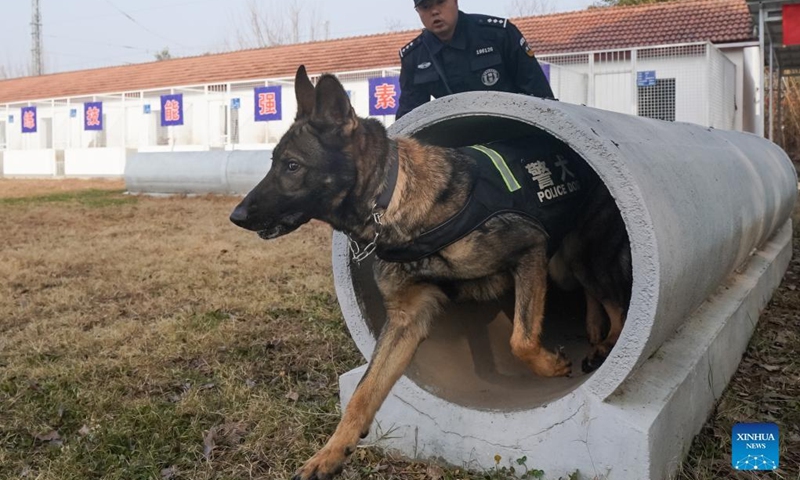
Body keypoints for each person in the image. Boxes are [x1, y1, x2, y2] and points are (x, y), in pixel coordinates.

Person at [396, 0, 555, 119]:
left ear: (455, 2)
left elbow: (540, 97)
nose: (435, 11)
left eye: (440, 2)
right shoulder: (415, 57)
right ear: (418, 11)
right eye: (426, 7)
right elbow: (409, 117)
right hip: (458, 142)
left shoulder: (498, 35)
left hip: (513, 129)